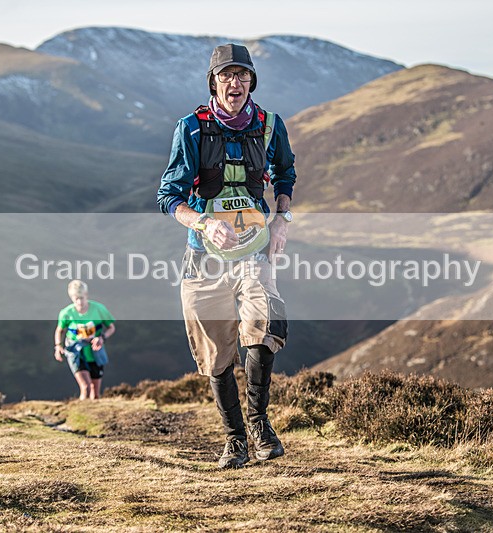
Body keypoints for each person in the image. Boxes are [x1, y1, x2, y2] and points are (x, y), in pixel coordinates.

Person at [157, 44, 296, 468]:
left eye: (242, 75)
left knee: (265, 325)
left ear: (252, 81)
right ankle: (235, 439)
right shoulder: (191, 129)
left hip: (255, 252)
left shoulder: (270, 126)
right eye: (226, 75)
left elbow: (285, 173)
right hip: (204, 255)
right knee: (214, 349)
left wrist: (282, 218)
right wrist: (203, 222)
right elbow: (169, 196)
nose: (235, 82)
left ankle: (258, 423)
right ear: (213, 82)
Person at [54, 280, 116, 400]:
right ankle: (80, 409)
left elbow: (111, 327)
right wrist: (58, 346)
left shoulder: (99, 309)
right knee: (85, 387)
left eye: (81, 298)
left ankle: (93, 411)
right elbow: (59, 330)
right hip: (76, 352)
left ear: (86, 295)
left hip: (95, 351)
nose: (79, 302)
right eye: (76, 298)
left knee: (95, 392)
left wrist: (102, 338)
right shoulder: (66, 313)